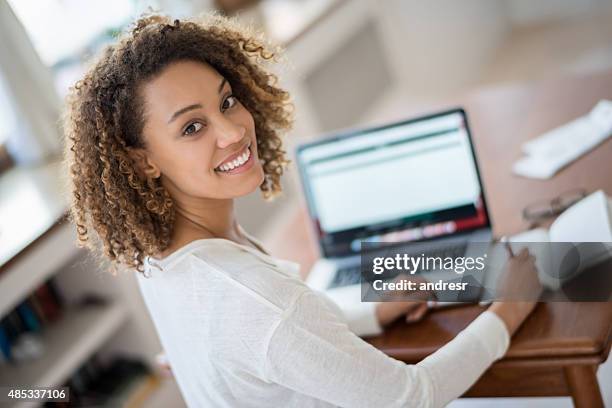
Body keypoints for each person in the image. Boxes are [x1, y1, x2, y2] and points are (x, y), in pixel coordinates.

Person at [62, 12, 542, 408]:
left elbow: (267, 348)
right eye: (191, 128)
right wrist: (508, 312)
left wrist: (372, 315)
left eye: (227, 101)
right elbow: (411, 394)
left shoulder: (162, 258)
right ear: (142, 161)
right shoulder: (258, 301)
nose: (232, 132)